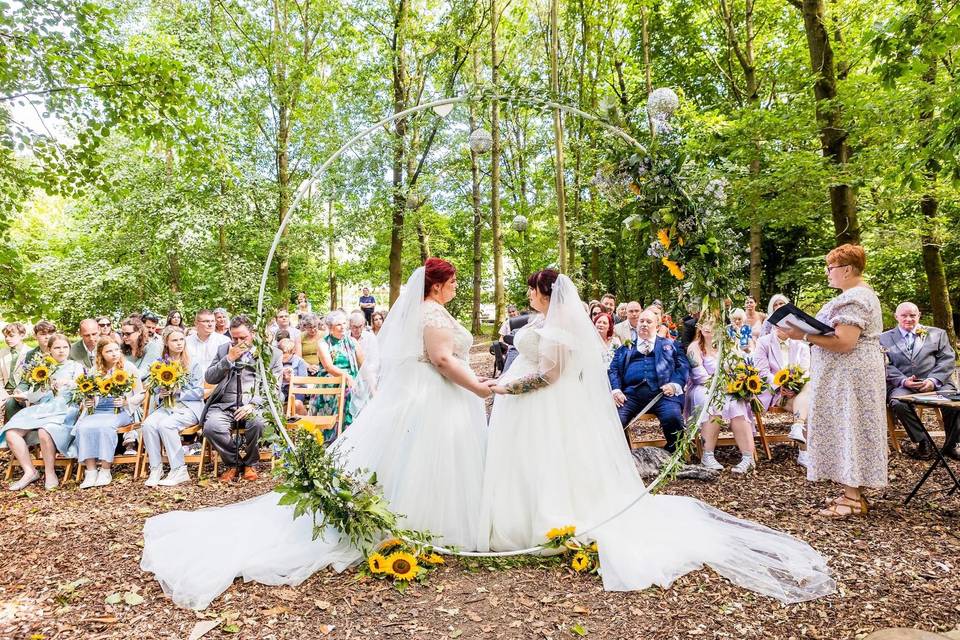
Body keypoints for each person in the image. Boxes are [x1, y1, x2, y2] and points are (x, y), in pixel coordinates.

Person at [142, 259, 491, 609]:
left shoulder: (426, 312)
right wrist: (478, 387)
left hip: (430, 395)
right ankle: (418, 522)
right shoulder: (430, 313)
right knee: (420, 454)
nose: (456, 286)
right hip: (431, 394)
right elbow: (442, 360)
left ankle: (420, 519)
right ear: (436, 285)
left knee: (415, 455)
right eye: (453, 281)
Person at [477, 270, 834, 604]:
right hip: (527, 407)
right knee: (530, 460)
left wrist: (508, 389)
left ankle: (550, 517)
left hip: (540, 403)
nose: (527, 294)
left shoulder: (560, 332)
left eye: (532, 289)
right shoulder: (540, 321)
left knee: (551, 457)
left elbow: (551, 377)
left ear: (546, 294)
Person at [781, 244, 886, 518]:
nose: (828, 273)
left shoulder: (856, 298)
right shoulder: (853, 295)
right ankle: (851, 491)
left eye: (831, 268)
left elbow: (844, 341)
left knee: (851, 426)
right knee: (846, 427)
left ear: (848, 269)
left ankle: (852, 498)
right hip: (846, 375)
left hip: (851, 377)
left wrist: (802, 335)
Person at [200, 315, 283, 484]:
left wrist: (253, 404)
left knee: (259, 423)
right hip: (225, 404)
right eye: (234, 337)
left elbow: (274, 389)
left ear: (253, 333)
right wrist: (228, 359)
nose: (238, 342)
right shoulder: (224, 350)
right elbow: (209, 377)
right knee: (211, 427)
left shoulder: (272, 354)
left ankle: (250, 463)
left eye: (243, 337)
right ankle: (234, 463)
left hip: (255, 405)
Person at [0, 334, 82, 491]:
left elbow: (80, 390)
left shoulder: (75, 366)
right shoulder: (41, 367)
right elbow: (34, 396)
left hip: (65, 408)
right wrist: (40, 389)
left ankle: (50, 472)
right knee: (11, 432)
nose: (61, 351)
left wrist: (67, 383)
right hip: (43, 407)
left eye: (65, 347)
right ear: (49, 349)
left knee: (45, 431)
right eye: (57, 348)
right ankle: (30, 471)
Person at [880, 301, 959, 461]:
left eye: (912, 315)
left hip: (937, 383)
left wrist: (933, 380)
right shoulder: (883, 338)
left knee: (954, 402)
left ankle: (952, 444)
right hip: (903, 385)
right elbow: (883, 364)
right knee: (897, 403)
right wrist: (903, 381)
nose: (908, 319)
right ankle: (923, 441)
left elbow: (948, 359)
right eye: (904, 315)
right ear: (896, 317)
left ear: (919, 316)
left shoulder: (938, 333)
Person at [608, 308, 689, 452]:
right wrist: (616, 390)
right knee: (614, 420)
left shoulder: (671, 345)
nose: (644, 324)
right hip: (631, 396)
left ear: (657, 326)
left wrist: (675, 384)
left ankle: (673, 453)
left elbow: (682, 367)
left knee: (673, 418)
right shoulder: (625, 348)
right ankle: (617, 455)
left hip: (663, 395)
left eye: (649, 321)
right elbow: (613, 370)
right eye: (641, 321)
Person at [685, 320, 756, 474]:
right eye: (704, 323)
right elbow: (699, 375)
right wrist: (721, 385)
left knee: (737, 404)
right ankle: (708, 455)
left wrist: (736, 384)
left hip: (726, 387)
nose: (708, 327)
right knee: (712, 402)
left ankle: (748, 458)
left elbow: (737, 369)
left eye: (713, 324)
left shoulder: (727, 347)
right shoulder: (694, 347)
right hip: (703, 387)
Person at [75, 336, 145, 489]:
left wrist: (127, 401)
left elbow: (141, 393)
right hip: (97, 411)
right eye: (109, 351)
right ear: (101, 354)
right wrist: (88, 402)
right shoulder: (95, 371)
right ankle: (91, 470)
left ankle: (105, 469)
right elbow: (88, 394)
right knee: (83, 426)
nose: (114, 354)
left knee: (106, 426)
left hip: (120, 411)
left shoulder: (128, 368)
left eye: (116, 350)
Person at [141, 327, 206, 488]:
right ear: (166, 343)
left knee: (166, 425)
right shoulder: (158, 364)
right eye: (174, 340)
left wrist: (179, 392)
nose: (179, 344)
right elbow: (153, 390)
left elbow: (199, 391)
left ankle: (179, 469)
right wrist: (161, 394)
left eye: (181, 339)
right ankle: (156, 468)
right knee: (147, 424)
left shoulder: (193, 362)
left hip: (189, 407)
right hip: (166, 406)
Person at [755, 325, 812, 464]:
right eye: (777, 323)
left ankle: (799, 430)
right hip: (775, 391)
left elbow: (805, 371)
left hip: (798, 391)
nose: (781, 326)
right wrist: (780, 385)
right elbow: (762, 371)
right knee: (809, 407)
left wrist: (795, 385)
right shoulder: (763, 342)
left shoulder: (801, 345)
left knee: (809, 389)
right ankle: (804, 451)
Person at [315, 310, 364, 437]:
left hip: (352, 380)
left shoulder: (352, 341)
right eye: (338, 325)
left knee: (362, 393)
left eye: (344, 323)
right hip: (331, 380)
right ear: (331, 328)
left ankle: (354, 436)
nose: (343, 327)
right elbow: (329, 367)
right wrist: (346, 376)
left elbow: (363, 364)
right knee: (348, 392)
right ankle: (337, 436)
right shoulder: (323, 343)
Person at [6, 321, 57, 422]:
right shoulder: (31, 354)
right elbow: (26, 377)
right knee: (12, 402)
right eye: (43, 334)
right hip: (35, 390)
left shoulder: (61, 350)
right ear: (35, 336)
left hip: (55, 390)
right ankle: (15, 428)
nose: (47, 337)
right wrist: (19, 389)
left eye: (50, 334)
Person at [185, 309, 231, 374]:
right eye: (206, 321)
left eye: (212, 321)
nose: (210, 324)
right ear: (196, 323)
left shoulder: (224, 341)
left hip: (216, 382)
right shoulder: (186, 342)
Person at [1, 323, 29, 422]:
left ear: (22, 335)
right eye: (5, 336)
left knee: (11, 403)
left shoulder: (30, 353)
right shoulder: (2, 353)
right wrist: (2, 393)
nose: (8, 339)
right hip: (5, 390)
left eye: (11, 336)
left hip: (21, 391)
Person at [349, 311, 379, 395]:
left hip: (367, 374)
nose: (357, 330)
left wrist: (366, 373)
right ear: (350, 325)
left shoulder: (370, 337)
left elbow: (375, 361)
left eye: (360, 327)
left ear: (364, 325)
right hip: (350, 374)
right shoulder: (345, 337)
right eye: (354, 327)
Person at [278, 337, 308, 415]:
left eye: (285, 353)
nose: (282, 356)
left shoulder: (299, 361)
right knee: (277, 402)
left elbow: (303, 381)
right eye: (280, 353)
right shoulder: (277, 362)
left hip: (297, 389)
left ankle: (305, 420)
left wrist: (292, 378)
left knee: (296, 403)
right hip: (282, 389)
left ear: (291, 352)